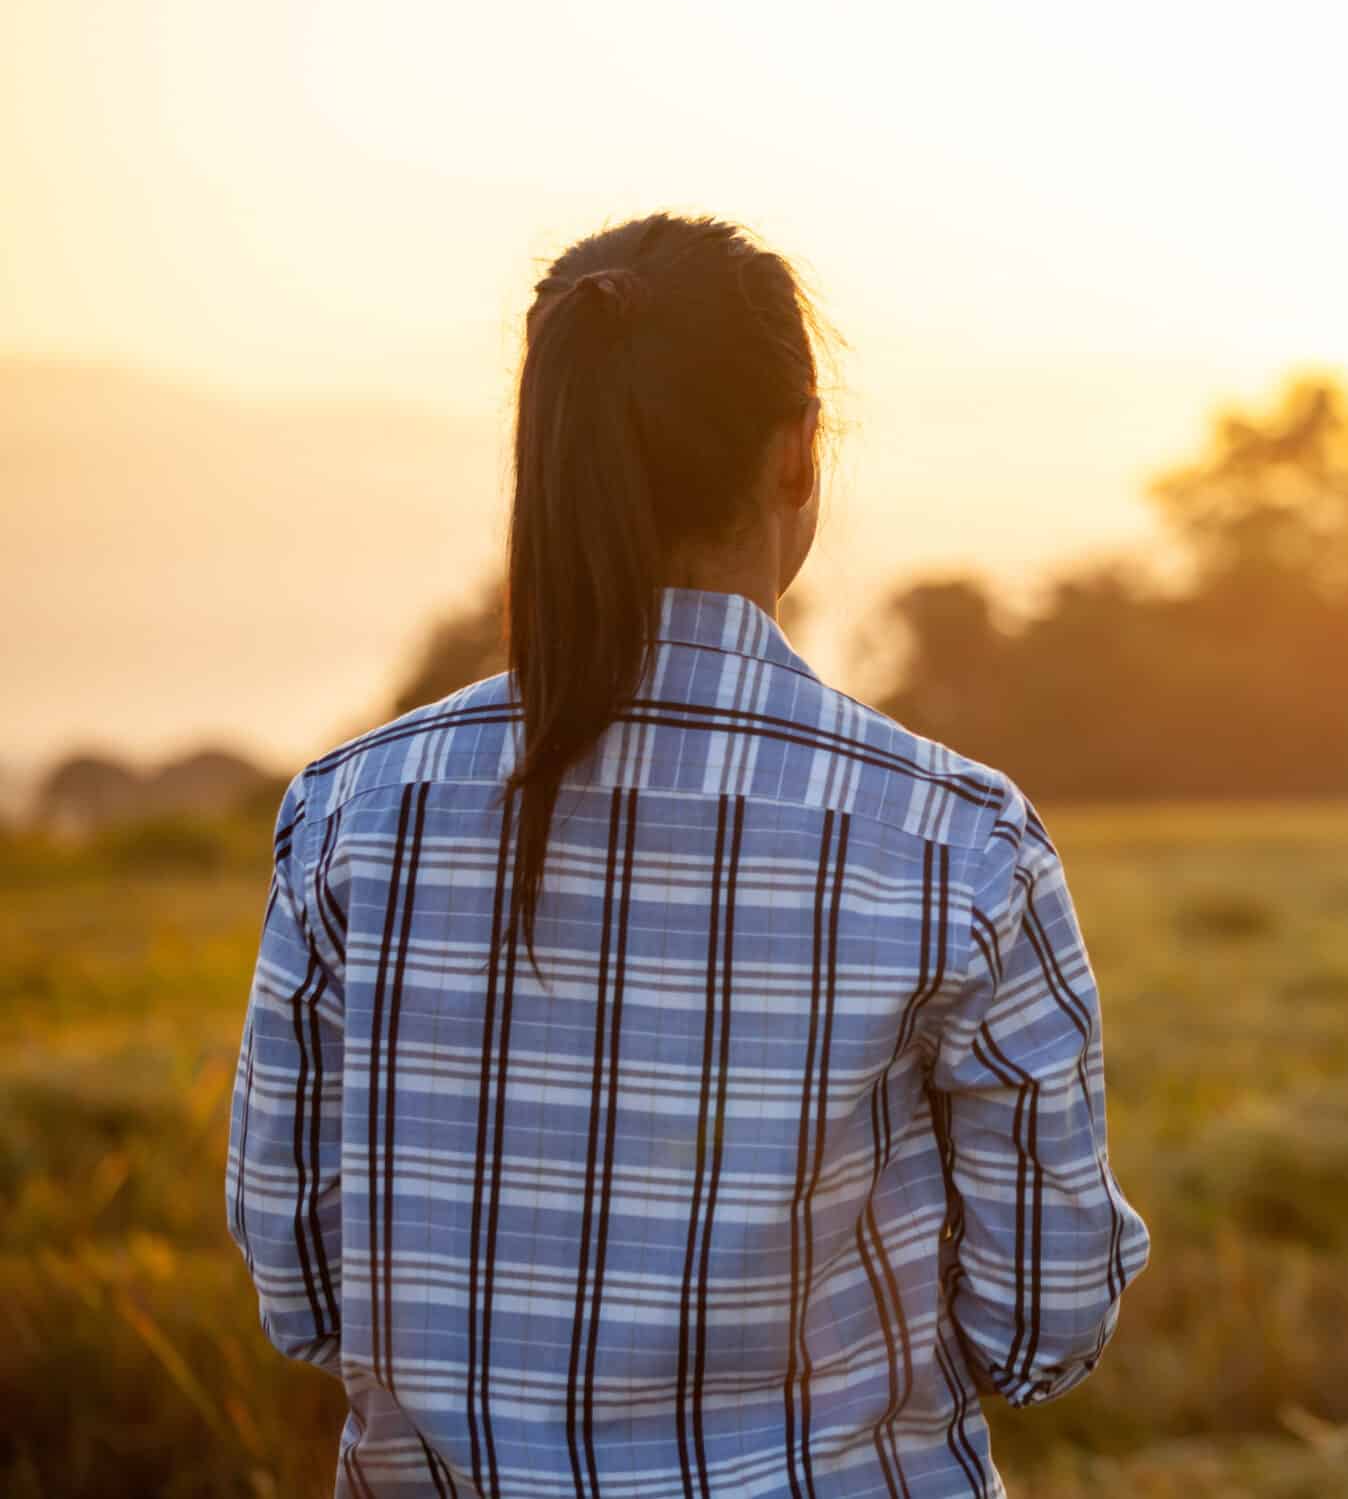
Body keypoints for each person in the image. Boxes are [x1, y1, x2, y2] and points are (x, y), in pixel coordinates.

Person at [225, 215, 1147, 1498]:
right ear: (796, 453)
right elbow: (1044, 1327)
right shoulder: (954, 842)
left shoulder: (351, 816)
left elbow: (303, 1289)